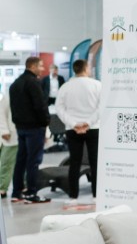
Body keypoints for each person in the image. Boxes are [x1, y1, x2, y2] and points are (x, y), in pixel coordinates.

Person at [54, 59, 102, 202]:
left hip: (72, 129)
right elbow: (102, 107)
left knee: (74, 162)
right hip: (93, 128)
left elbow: (59, 108)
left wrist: (74, 124)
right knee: (95, 162)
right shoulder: (97, 85)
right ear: (86, 68)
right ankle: (96, 196)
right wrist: (88, 123)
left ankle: (73, 196)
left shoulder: (65, 87)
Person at [9, 56, 50, 204]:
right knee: (33, 161)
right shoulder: (33, 83)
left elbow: (13, 107)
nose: (43, 69)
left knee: (21, 160)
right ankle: (32, 193)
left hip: (21, 128)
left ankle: (17, 192)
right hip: (34, 128)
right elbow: (40, 106)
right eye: (41, 66)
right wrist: (46, 122)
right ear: (32, 66)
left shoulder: (15, 83)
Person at [0, 90, 16, 198]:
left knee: (24, 164)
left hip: (24, 134)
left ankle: (23, 186)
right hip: (10, 136)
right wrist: (4, 131)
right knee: (6, 162)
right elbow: (1, 113)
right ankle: (2, 187)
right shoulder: (9, 96)